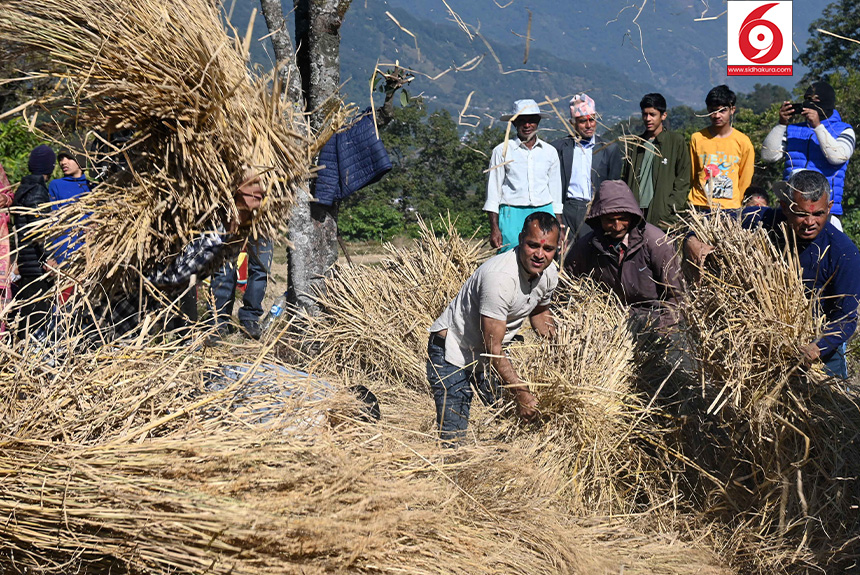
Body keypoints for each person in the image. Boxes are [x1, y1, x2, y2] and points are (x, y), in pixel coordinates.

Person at [686, 170, 860, 379]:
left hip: (821, 350)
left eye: (818, 213)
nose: (810, 222)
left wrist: (817, 347)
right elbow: (708, 220)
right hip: (765, 349)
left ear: (829, 208)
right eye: (801, 213)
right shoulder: (765, 220)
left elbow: (847, 317)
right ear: (785, 207)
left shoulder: (842, 252)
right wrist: (692, 240)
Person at [427, 212, 560, 444]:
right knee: (454, 434)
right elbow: (493, 347)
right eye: (532, 246)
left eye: (548, 249)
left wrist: (559, 350)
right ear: (520, 239)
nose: (540, 255)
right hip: (453, 351)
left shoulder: (549, 273)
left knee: (512, 421)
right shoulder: (499, 278)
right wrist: (520, 391)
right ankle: (450, 471)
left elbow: (540, 311)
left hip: (488, 355)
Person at [567, 180, 682, 325]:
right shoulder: (587, 246)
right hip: (607, 322)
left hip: (653, 320)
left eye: (623, 219)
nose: (617, 226)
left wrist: (658, 327)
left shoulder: (656, 243)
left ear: (632, 216)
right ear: (598, 218)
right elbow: (567, 285)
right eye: (610, 220)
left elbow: (678, 298)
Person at [761, 80, 855, 229]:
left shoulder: (844, 130)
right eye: (807, 100)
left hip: (824, 211)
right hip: (793, 207)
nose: (809, 104)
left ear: (826, 102)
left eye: (815, 101)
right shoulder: (793, 130)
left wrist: (818, 127)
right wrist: (781, 124)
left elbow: (837, 157)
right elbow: (768, 155)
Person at [484, 99, 562, 252]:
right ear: (514, 123)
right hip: (512, 214)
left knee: (542, 257)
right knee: (510, 259)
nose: (527, 125)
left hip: (544, 212)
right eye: (522, 121)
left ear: (537, 122)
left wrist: (559, 227)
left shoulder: (549, 152)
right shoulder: (501, 151)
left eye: (531, 121)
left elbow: (556, 193)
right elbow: (493, 193)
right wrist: (494, 228)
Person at [552, 93, 622, 242]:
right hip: (567, 210)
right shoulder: (560, 148)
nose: (589, 125)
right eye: (583, 121)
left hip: (594, 212)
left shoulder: (609, 149)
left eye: (592, 120)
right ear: (573, 123)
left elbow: (613, 188)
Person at [622, 93, 691, 230]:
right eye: (645, 114)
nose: (648, 119)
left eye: (652, 114)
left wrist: (670, 206)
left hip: (662, 216)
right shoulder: (634, 144)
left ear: (663, 116)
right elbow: (624, 177)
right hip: (635, 214)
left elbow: (683, 179)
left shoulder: (675, 142)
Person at [10, 145, 56, 341]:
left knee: (27, 317)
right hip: (36, 266)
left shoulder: (23, 188)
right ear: (49, 167)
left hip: (26, 263)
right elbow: (38, 231)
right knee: (37, 318)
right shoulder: (38, 191)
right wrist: (48, 258)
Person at [688, 85, 754, 211]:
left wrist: (738, 204)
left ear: (732, 110)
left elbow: (745, 179)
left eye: (722, 111)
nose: (717, 115)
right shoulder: (697, 138)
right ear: (708, 110)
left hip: (730, 208)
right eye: (713, 111)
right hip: (700, 206)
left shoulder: (743, 142)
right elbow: (692, 175)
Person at [209, 237, 273, 339]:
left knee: (260, 267)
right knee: (225, 264)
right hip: (232, 223)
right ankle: (218, 321)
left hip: (262, 225)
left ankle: (250, 318)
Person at [48, 148, 92, 266]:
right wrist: (56, 255)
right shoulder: (56, 185)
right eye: (61, 159)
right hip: (66, 252)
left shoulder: (93, 187)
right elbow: (53, 222)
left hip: (90, 252)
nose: (63, 162)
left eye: (69, 158)